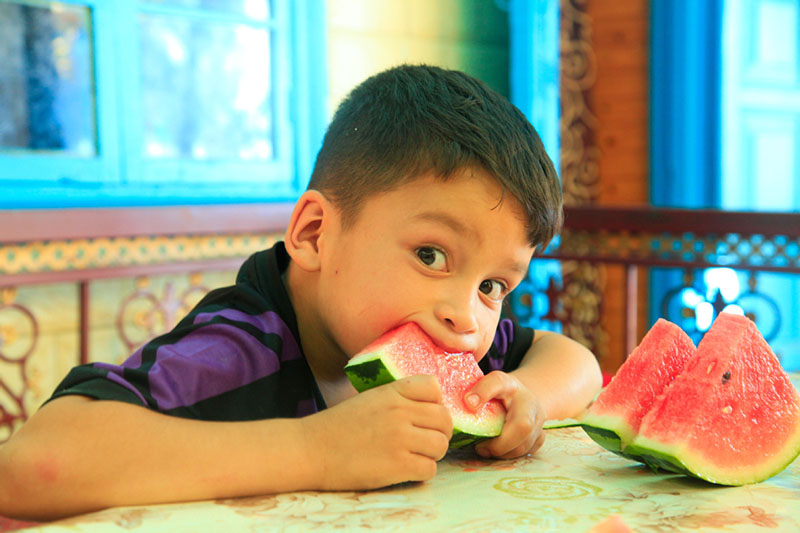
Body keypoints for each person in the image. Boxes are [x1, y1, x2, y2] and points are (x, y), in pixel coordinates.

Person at [0, 64, 602, 520]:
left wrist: (529, 400)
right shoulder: (240, 345)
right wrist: (315, 450)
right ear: (315, 234)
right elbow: (32, 464)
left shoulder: (456, 351)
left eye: (493, 286)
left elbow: (577, 363)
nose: (466, 319)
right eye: (430, 255)